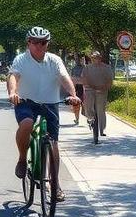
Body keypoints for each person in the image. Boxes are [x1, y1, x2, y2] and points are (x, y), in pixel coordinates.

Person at [7, 26, 81, 203]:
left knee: (53, 145)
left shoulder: (54, 60)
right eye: (35, 42)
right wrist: (12, 92)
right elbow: (13, 77)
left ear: (47, 43)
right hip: (26, 101)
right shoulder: (21, 59)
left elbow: (64, 77)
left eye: (43, 42)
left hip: (50, 103)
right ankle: (22, 159)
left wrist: (73, 94)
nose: (39, 46)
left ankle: (55, 185)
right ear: (29, 43)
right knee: (26, 124)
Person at [82, 50, 115, 137]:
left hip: (102, 90)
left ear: (100, 58)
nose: (95, 59)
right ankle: (90, 119)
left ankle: (102, 129)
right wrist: (88, 86)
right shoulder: (87, 68)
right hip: (90, 89)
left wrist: (104, 88)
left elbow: (110, 81)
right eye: (93, 58)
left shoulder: (106, 68)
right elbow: (84, 79)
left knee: (101, 110)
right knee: (88, 107)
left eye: (97, 57)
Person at [70, 55, 86, 125]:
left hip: (81, 87)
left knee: (79, 104)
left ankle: (78, 119)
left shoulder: (85, 68)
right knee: (78, 104)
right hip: (79, 87)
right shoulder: (74, 68)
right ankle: (77, 119)